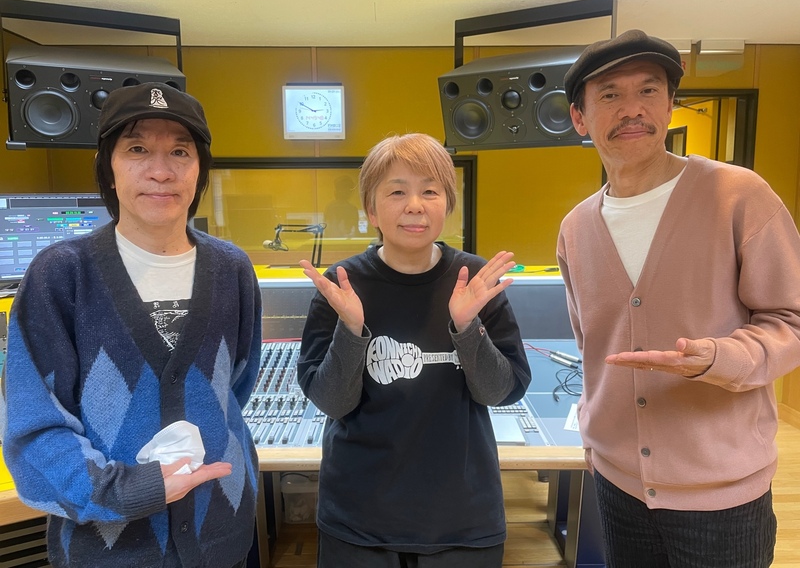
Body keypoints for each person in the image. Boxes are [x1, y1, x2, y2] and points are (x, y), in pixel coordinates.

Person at [557, 29, 800, 568]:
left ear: (670, 105)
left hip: (722, 494)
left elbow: (791, 319)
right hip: (617, 484)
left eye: (649, 90)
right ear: (579, 118)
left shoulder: (739, 196)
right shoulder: (576, 228)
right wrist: (594, 437)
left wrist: (719, 357)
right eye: (610, 95)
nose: (632, 109)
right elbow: (591, 346)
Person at [0, 82, 262, 568]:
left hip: (223, 536)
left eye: (180, 151)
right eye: (137, 149)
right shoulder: (61, 275)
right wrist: (127, 490)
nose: (161, 171)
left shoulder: (232, 269)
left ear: (199, 169)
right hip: (108, 550)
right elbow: (33, 432)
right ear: (109, 166)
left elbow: (233, 391)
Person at [296, 133, 531, 568]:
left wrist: (468, 327)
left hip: (462, 520)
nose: (415, 205)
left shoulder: (475, 280)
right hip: (359, 521)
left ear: (448, 204)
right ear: (371, 210)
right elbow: (331, 401)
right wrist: (351, 329)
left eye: (430, 191)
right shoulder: (341, 284)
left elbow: (502, 392)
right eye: (397, 192)